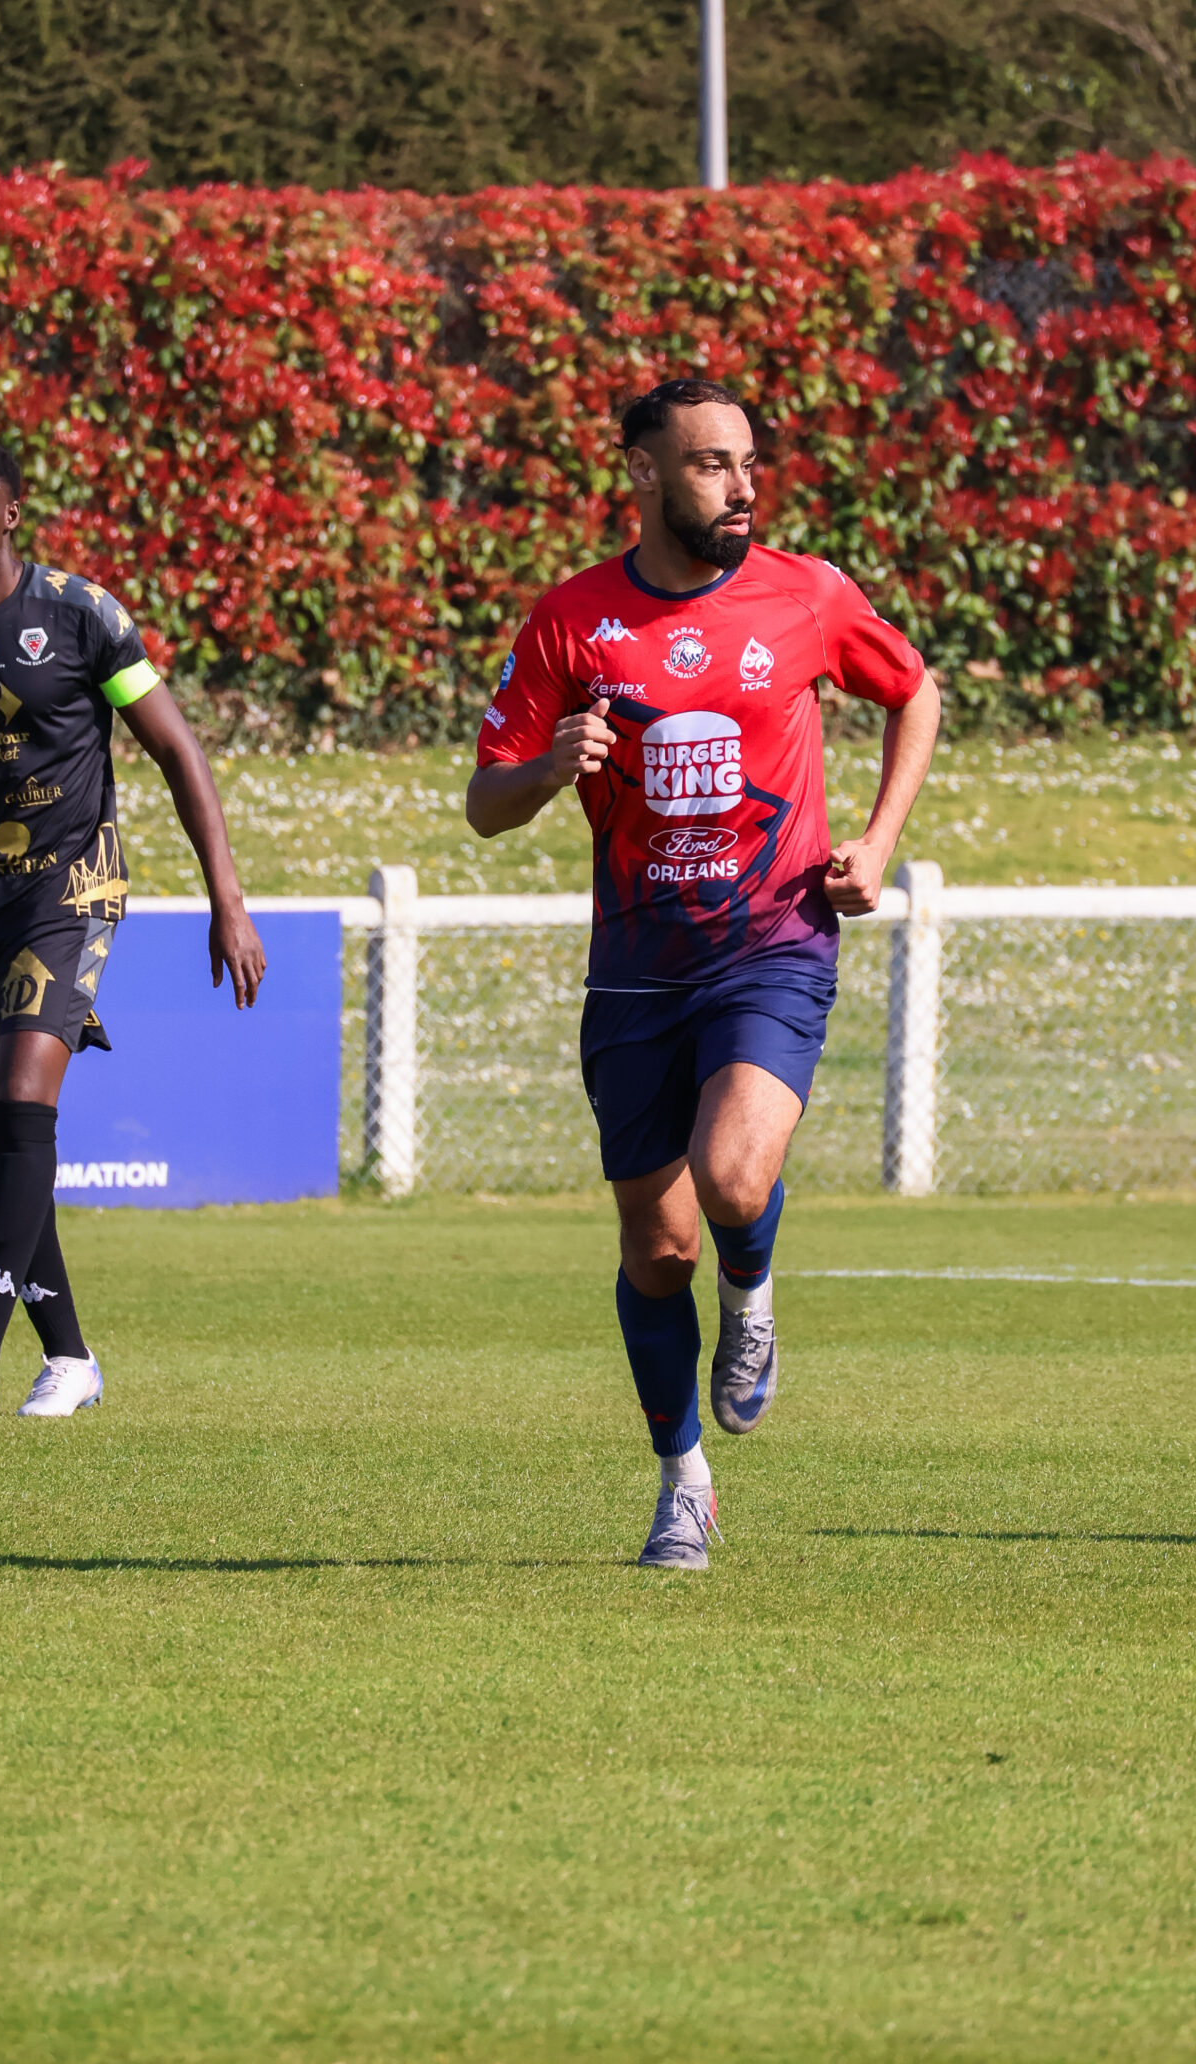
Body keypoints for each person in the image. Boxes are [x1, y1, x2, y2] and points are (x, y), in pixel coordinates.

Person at [467, 380, 940, 1569]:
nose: (741, 486)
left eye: (748, 463)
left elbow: (915, 690)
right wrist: (547, 768)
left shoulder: (806, 593)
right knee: (655, 1250)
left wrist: (877, 842)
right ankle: (684, 1481)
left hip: (773, 944)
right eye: (712, 464)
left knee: (733, 1179)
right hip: (635, 973)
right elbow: (485, 801)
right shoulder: (572, 620)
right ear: (644, 472)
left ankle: (752, 1289)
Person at [0, 432, 266, 1420]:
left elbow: (177, 751)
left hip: (71, 888)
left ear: (11, 513)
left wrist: (227, 897)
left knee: (22, 1098)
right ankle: (72, 1358)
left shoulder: (81, 616)